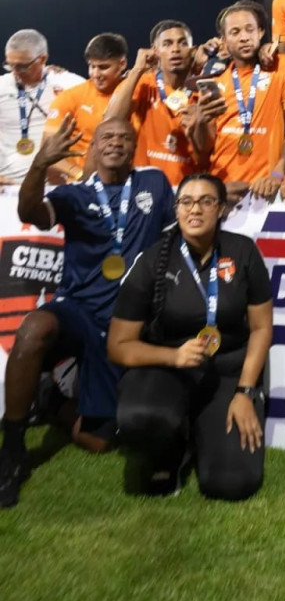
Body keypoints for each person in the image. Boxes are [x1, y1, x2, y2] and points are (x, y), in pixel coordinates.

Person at [0, 116, 174, 508]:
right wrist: (40, 163)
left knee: (100, 441)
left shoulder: (154, 184)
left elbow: (178, 230)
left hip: (127, 325)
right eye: (107, 137)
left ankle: (51, 402)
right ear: (94, 147)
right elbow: (29, 212)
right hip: (79, 310)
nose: (115, 143)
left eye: (124, 138)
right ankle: (11, 448)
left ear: (134, 146)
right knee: (32, 329)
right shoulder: (74, 195)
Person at [108, 173, 273, 499]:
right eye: (186, 201)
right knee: (141, 416)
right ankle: (171, 449)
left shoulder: (243, 252)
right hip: (168, 371)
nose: (194, 209)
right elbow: (118, 345)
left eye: (206, 201)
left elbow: (261, 328)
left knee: (231, 484)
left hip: (226, 373)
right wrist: (173, 356)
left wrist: (244, 391)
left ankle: (207, 428)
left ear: (221, 209)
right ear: (176, 208)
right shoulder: (152, 261)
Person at [192, 1, 285, 208]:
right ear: (224, 40)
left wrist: (278, 172)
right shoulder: (216, 83)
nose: (244, 37)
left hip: (268, 189)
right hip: (223, 191)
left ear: (261, 31)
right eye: (235, 32)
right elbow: (205, 148)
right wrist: (200, 122)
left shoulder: (283, 67)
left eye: (249, 29)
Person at [103, 20, 199, 186]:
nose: (175, 49)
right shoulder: (143, 83)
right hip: (143, 186)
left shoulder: (202, 90)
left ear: (193, 50)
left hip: (187, 190)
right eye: (167, 44)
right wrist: (137, 69)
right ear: (156, 51)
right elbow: (111, 121)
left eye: (182, 43)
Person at [42, 33, 128, 183]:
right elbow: (47, 152)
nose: (96, 74)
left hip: (128, 185)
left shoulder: (137, 93)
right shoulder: (70, 98)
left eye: (103, 67)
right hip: (83, 190)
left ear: (122, 64)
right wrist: (80, 176)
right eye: (92, 66)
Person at [0, 29, 83, 185]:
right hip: (8, 185)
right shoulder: (1, 87)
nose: (15, 72)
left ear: (42, 59)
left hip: (56, 186)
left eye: (22, 66)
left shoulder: (70, 84)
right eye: (10, 65)